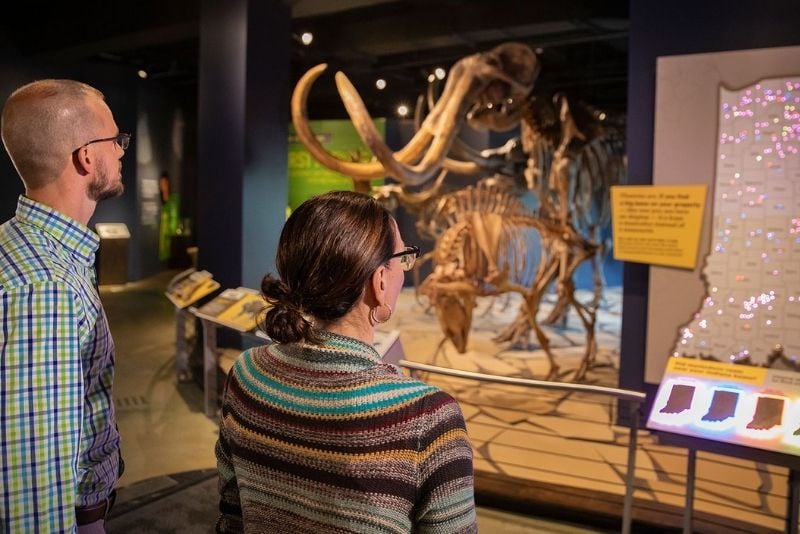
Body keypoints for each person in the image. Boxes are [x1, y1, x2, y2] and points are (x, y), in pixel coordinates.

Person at [215, 191, 477, 533]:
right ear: (379, 282)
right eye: (403, 258)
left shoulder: (246, 374)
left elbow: (231, 514)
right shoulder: (428, 420)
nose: (404, 268)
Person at [0, 79, 129, 533]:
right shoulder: (45, 286)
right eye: (116, 140)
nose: (121, 151)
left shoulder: (17, 247)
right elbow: (33, 481)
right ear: (87, 156)